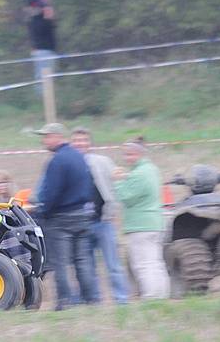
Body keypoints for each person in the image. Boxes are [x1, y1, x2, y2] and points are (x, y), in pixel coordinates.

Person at [33, 122, 100, 310]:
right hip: (82, 215)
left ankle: (65, 302)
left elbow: (51, 192)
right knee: (83, 260)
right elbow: (90, 186)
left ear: (56, 136)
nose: (43, 141)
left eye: (46, 137)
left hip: (61, 219)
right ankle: (91, 299)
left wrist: (43, 211)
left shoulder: (57, 161)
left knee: (61, 263)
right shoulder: (79, 157)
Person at [71, 127, 131, 304]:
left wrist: (113, 209)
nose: (80, 144)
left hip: (103, 222)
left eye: (83, 140)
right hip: (81, 223)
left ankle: (121, 299)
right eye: (76, 141)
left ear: (90, 143)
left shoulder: (102, 161)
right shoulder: (69, 164)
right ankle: (93, 300)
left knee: (113, 264)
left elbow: (119, 179)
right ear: (71, 143)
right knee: (87, 267)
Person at [113, 137, 170, 300]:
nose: (126, 158)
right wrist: (127, 178)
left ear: (138, 154)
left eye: (129, 155)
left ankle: (151, 295)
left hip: (140, 226)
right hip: (155, 223)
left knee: (143, 264)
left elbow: (126, 197)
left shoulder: (138, 174)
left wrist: (117, 182)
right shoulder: (151, 169)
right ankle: (162, 293)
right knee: (156, 262)